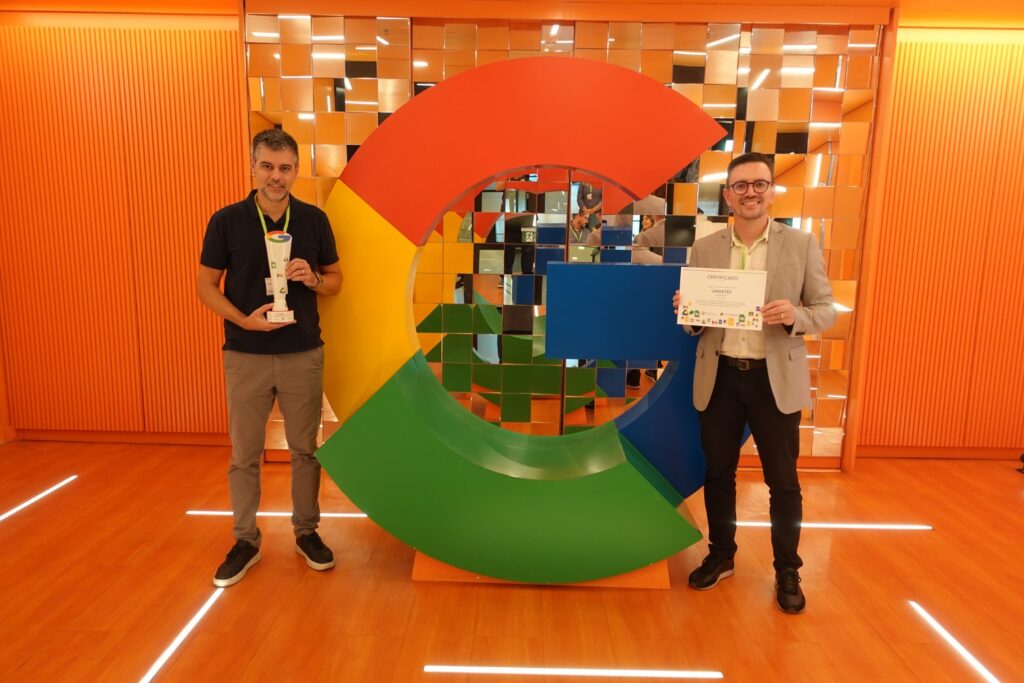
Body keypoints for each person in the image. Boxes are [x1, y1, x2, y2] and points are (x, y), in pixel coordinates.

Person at [672, 152, 835, 614]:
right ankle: (722, 554)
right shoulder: (706, 248)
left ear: (771, 191)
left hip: (773, 379)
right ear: (728, 195)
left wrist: (795, 315)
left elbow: (825, 309)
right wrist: (688, 309)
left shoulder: (801, 243)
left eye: (759, 184)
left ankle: (788, 569)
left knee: (783, 481)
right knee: (718, 474)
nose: (750, 193)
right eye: (740, 186)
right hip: (721, 375)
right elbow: (695, 325)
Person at [197, 129, 342, 587]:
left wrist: (313, 279)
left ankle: (306, 532)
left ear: (295, 171)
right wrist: (244, 320)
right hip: (247, 354)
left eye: (284, 168)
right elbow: (205, 286)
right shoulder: (227, 221)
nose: (275, 176)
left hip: (303, 352)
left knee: (305, 451)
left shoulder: (314, 220)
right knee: (244, 454)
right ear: (253, 167)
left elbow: (336, 280)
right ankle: (245, 540)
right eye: (267, 166)